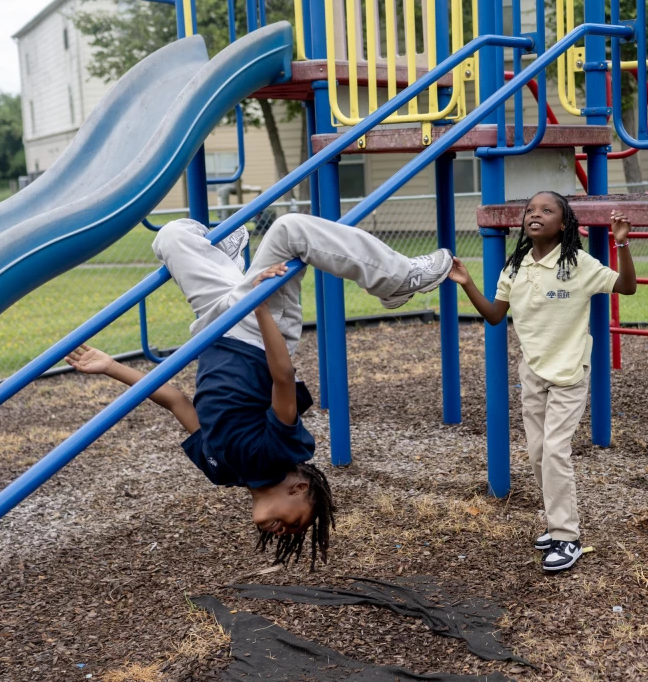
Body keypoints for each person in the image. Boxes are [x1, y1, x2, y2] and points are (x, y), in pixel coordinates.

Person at [66, 213, 453, 569]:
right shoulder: (280, 451)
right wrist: (260, 306)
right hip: (256, 332)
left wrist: (110, 367)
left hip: (216, 325)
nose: (284, 531)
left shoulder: (221, 469)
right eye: (297, 523)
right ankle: (398, 278)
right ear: (299, 487)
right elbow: (283, 376)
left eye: (286, 536)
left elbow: (176, 402)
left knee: (171, 236)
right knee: (289, 230)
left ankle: (223, 259)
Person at [449, 191, 637, 573]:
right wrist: (466, 282)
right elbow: (495, 316)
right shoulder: (515, 268)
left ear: (564, 224)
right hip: (532, 373)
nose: (535, 215)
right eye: (530, 210)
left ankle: (567, 537)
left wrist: (622, 244)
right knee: (537, 453)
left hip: (569, 374)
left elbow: (627, 287)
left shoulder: (578, 264)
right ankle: (555, 526)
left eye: (546, 210)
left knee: (554, 450)